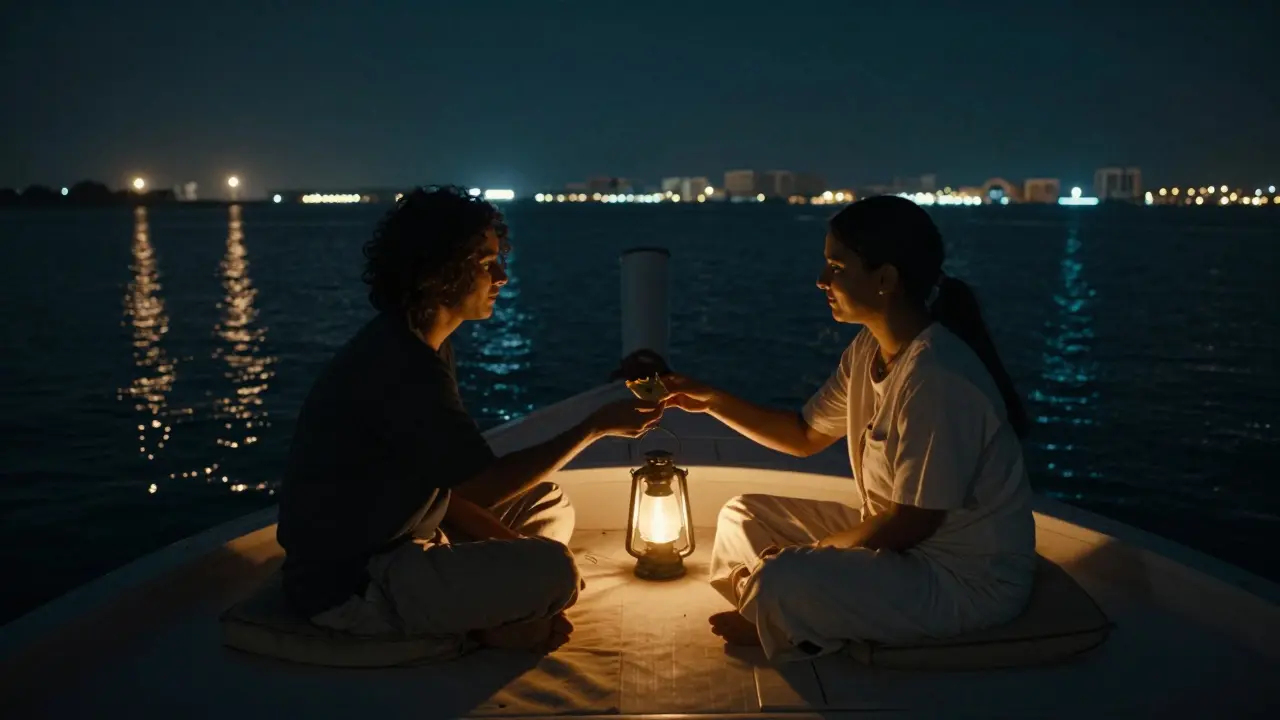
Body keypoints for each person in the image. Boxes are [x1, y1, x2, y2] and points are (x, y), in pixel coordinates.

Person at [276, 186, 661, 658]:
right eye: (484, 263)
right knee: (555, 570)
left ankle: (493, 601)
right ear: (436, 270)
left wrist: (511, 550)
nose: (501, 275)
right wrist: (594, 426)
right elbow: (482, 485)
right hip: (355, 582)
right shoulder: (402, 366)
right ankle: (482, 628)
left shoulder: (424, 344)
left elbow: (449, 490)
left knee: (550, 501)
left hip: (409, 535)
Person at [660, 195, 1036, 662]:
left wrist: (813, 555)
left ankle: (782, 604)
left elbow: (911, 522)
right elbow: (804, 435)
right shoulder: (868, 350)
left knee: (788, 576)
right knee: (741, 515)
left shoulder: (937, 376)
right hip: (898, 548)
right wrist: (711, 401)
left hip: (959, 577)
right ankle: (788, 607)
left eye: (836, 267)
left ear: (886, 278)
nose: (822, 281)